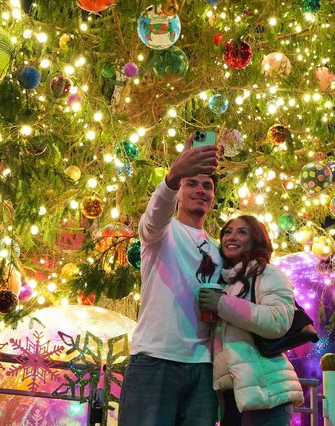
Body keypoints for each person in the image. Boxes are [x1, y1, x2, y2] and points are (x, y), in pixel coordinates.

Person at [118, 133, 221, 426]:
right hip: (154, 360)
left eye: (207, 186)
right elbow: (154, 216)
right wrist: (174, 175)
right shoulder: (160, 233)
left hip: (203, 368)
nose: (200, 190)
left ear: (213, 197)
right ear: (178, 192)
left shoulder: (219, 250)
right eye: (192, 183)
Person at [198, 215, 305, 426]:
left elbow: (277, 321)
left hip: (267, 396)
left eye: (242, 232)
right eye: (227, 232)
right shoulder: (226, 282)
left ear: (257, 239)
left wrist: (222, 305)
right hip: (233, 398)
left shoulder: (269, 274)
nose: (232, 237)